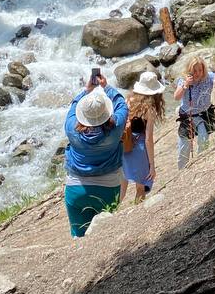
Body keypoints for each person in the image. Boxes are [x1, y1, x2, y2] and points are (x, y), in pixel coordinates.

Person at [63, 73, 128, 238]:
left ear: (82, 114)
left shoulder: (71, 128)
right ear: (106, 112)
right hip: (109, 188)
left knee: (78, 237)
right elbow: (122, 104)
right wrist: (106, 86)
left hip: (75, 188)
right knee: (106, 235)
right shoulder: (116, 128)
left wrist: (87, 90)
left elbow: (73, 106)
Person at [173, 56, 215, 169]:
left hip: (204, 114)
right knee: (184, 146)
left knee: (203, 140)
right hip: (188, 116)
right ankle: (182, 171)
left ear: (203, 69)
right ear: (189, 70)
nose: (198, 73)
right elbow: (176, 97)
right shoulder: (184, 81)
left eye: (200, 70)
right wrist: (185, 85)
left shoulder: (209, 77)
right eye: (194, 71)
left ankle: (200, 165)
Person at [120, 70, 166, 203]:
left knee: (122, 186)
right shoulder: (149, 110)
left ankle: (112, 212)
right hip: (138, 149)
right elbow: (148, 139)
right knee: (140, 187)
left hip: (124, 145)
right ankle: (137, 211)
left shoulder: (127, 100)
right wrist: (152, 165)